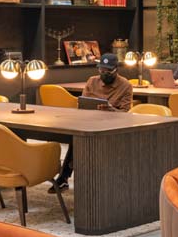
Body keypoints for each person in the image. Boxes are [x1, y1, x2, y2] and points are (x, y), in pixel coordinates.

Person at [51, 54, 131, 191]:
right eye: (101, 71)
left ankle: (65, 176)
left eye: (108, 71)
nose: (104, 74)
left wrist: (112, 110)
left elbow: (125, 113)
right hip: (89, 122)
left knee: (79, 138)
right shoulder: (92, 81)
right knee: (76, 136)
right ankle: (66, 176)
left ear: (116, 70)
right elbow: (83, 103)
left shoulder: (125, 85)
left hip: (113, 126)